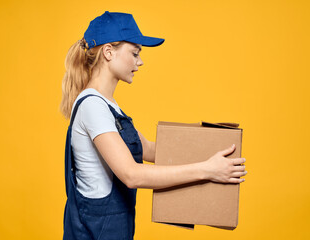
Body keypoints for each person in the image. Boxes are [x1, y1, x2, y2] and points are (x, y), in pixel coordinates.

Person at [60, 11, 247, 240]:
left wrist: (211, 152)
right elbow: (132, 175)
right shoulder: (92, 107)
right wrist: (207, 170)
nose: (140, 62)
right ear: (108, 52)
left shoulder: (108, 106)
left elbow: (147, 149)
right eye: (135, 53)